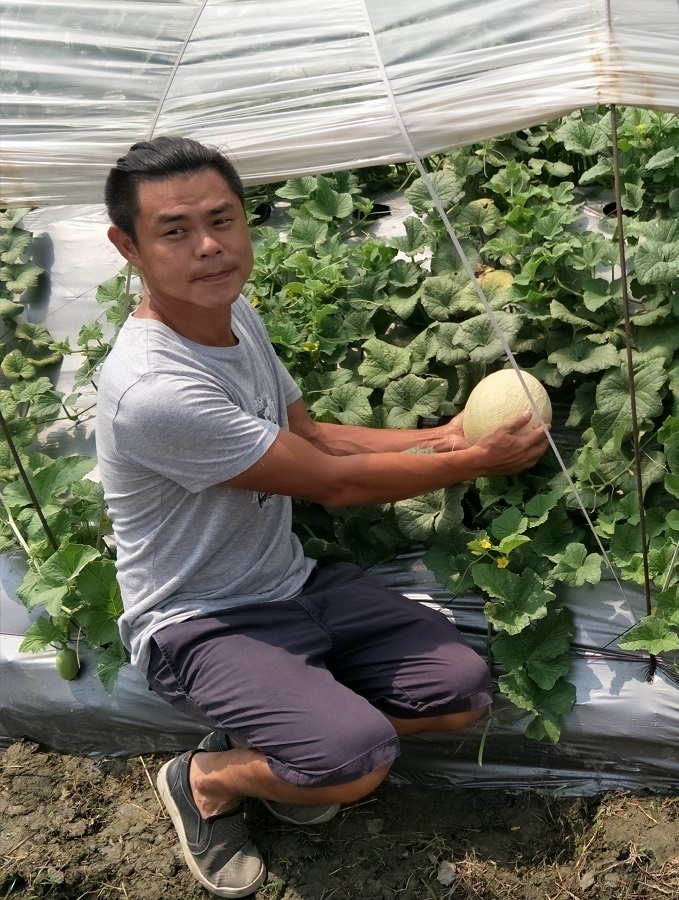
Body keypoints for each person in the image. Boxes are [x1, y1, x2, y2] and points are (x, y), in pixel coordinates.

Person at [96, 136, 548, 899]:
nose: (209, 247)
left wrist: (440, 437)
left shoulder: (234, 315)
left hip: (288, 584)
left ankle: (297, 741)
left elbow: (309, 435)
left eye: (224, 219)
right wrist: (473, 462)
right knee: (358, 762)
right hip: (201, 620)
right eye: (175, 231)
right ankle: (208, 778)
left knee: (460, 691)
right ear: (126, 246)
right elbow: (330, 483)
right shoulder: (154, 388)